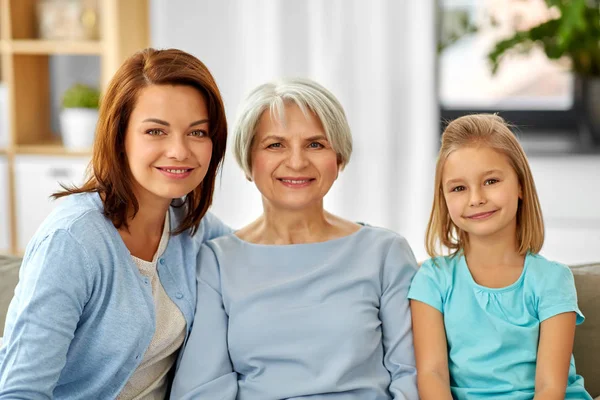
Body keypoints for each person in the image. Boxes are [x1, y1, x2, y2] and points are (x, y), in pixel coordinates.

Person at [0, 48, 231, 399]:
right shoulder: (73, 240)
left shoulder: (188, 222)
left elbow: (257, 258)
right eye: (156, 131)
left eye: (197, 133)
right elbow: (21, 391)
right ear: (119, 136)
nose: (180, 151)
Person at [170, 78, 419, 400]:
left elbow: (412, 376)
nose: (298, 161)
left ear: (338, 159)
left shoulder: (385, 253)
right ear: (248, 161)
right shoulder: (217, 262)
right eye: (275, 145)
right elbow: (202, 389)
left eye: (316, 144)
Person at [408, 114, 592, 399]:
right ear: (443, 198)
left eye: (491, 181)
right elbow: (432, 374)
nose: (476, 198)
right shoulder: (432, 279)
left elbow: (550, 388)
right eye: (459, 188)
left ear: (520, 186)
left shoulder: (552, 280)